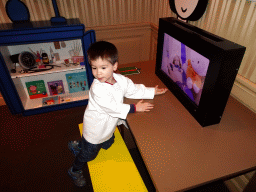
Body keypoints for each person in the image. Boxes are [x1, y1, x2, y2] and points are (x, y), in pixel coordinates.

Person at [68, 41, 168, 187]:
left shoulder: (120, 80)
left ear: (114, 66)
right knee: (89, 155)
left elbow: (133, 89)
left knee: (109, 142)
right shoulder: (98, 89)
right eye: (94, 68)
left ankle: (77, 144)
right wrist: (135, 108)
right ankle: (74, 169)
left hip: (108, 125)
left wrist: (152, 91)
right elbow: (113, 107)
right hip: (95, 130)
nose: (98, 73)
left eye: (103, 67)